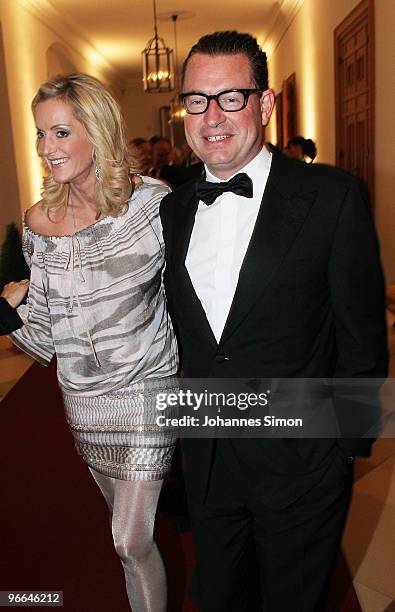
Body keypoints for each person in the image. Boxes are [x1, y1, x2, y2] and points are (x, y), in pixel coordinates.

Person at [160, 31, 388, 611]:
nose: (211, 116)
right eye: (196, 100)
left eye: (230, 97)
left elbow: (361, 336)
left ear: (264, 105)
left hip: (302, 462)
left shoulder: (332, 198)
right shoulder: (173, 209)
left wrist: (342, 450)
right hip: (208, 458)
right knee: (219, 597)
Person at [9, 73, 178, 612]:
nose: (45, 148)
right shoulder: (38, 223)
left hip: (149, 389)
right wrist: (8, 306)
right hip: (83, 402)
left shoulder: (151, 206)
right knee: (125, 541)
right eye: (40, 135)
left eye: (60, 133)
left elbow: (191, 296)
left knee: (129, 538)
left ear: (97, 130)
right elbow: (40, 336)